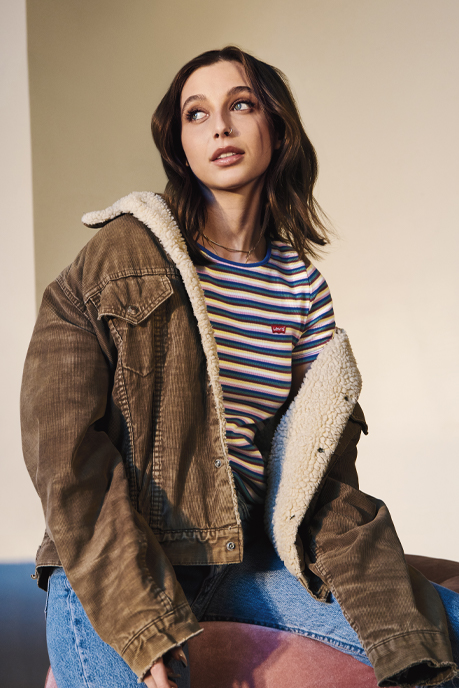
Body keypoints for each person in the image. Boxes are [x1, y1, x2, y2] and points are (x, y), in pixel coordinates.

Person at [21, 46, 458, 688]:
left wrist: (392, 613)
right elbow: (65, 456)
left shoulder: (301, 287)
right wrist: (141, 626)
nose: (220, 126)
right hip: (119, 564)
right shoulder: (119, 255)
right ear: (181, 146)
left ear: (275, 128)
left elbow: (320, 478)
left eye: (241, 105)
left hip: (243, 561)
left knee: (434, 634)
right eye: (196, 114)